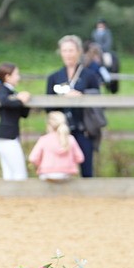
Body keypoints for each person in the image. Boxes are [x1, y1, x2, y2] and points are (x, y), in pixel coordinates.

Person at [45, 34, 104, 178]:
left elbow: (98, 100)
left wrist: (81, 95)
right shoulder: (54, 77)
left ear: (78, 52)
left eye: (71, 50)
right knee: (61, 169)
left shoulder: (89, 76)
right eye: (64, 50)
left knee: (86, 168)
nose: (68, 54)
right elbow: (48, 106)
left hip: (83, 129)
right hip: (61, 130)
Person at [0, 63, 30, 180]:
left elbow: (24, 114)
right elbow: (4, 102)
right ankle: (19, 197)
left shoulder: (11, 92)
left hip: (8, 136)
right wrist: (21, 100)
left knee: (9, 173)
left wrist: (23, 99)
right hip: (6, 137)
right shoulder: (3, 89)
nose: (18, 77)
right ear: (7, 76)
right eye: (16, 74)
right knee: (20, 173)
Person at [28, 111, 84, 181]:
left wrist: (41, 164)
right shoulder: (70, 139)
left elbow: (33, 158)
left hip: (47, 174)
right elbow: (80, 158)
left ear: (49, 125)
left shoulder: (44, 139)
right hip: (66, 174)